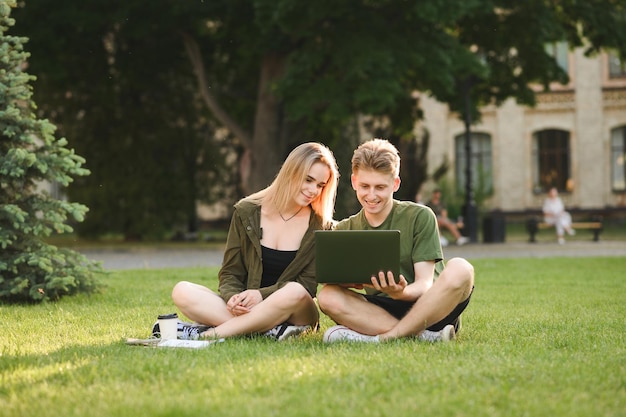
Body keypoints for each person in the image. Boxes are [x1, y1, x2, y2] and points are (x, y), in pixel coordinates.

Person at [166, 142, 339, 341]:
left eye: (320, 185)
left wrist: (260, 295)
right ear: (291, 172)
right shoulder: (246, 212)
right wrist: (232, 298)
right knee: (183, 291)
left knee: (295, 290)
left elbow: (307, 286)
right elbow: (231, 272)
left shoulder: (321, 226)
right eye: (308, 180)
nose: (313, 190)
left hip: (296, 314)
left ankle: (207, 335)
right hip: (247, 310)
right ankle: (269, 332)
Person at [317, 139, 475, 343]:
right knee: (327, 295)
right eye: (365, 186)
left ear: (395, 184)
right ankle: (422, 337)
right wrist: (348, 281)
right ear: (354, 182)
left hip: (432, 307)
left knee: (462, 268)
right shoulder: (344, 229)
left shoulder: (420, 216)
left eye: (380, 187)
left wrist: (401, 293)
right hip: (382, 309)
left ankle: (385, 337)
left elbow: (425, 284)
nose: (371, 195)